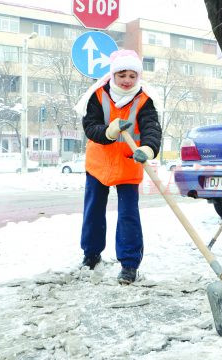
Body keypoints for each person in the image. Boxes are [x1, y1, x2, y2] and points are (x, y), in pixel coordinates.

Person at [74, 50, 162, 284]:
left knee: (128, 215)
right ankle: (91, 255)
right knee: (93, 211)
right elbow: (90, 126)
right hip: (98, 164)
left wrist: (149, 149)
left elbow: (152, 129)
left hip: (128, 163)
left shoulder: (144, 100)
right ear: (113, 75)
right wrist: (108, 132)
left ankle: (130, 264)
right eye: (122, 74)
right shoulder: (98, 95)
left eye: (132, 75)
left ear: (138, 77)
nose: (127, 80)